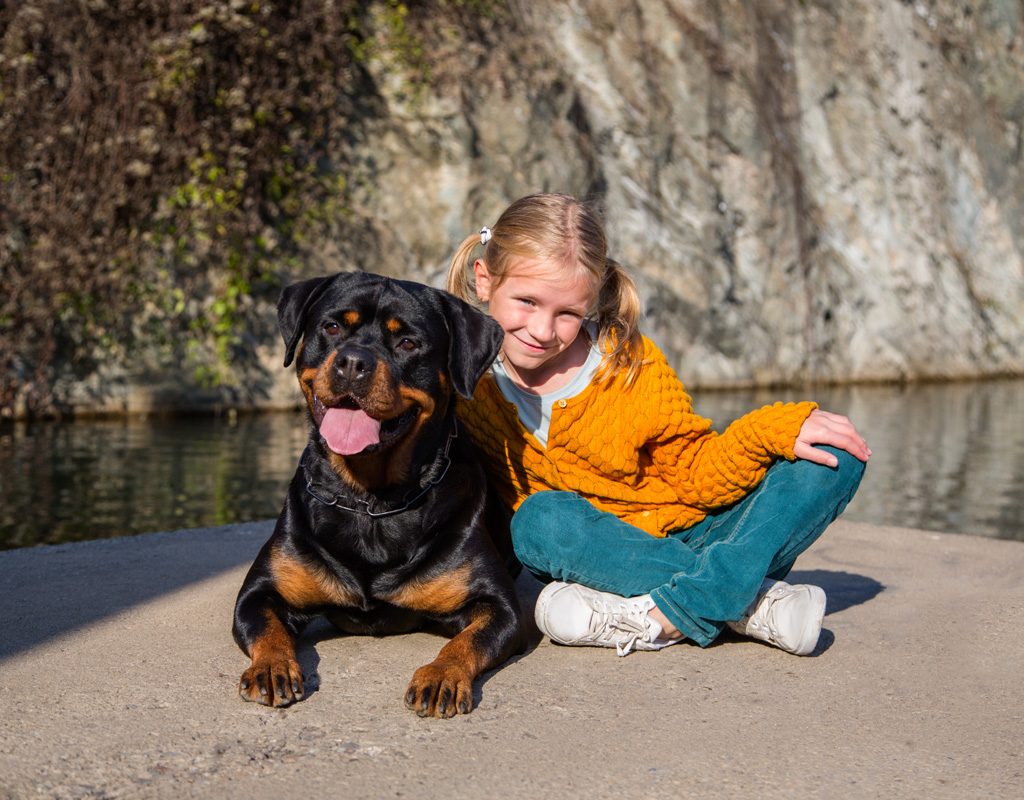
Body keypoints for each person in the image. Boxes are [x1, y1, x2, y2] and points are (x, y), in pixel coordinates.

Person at [445, 192, 870, 657]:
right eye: (526, 301)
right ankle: (744, 599)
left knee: (837, 457)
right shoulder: (466, 379)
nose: (543, 330)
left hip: (698, 531)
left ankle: (672, 613)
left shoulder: (628, 363)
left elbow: (696, 469)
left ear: (590, 302)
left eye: (567, 313)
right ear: (484, 280)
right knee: (539, 523)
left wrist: (776, 430)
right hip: (597, 550)